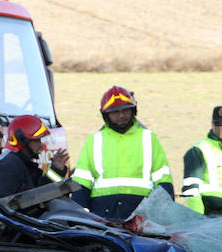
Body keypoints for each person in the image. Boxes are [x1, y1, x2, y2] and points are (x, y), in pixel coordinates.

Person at [71, 85, 173, 220]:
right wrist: (76, 214)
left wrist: (168, 211)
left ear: (133, 111)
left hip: (142, 212)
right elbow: (82, 180)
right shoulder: (94, 140)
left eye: (126, 110)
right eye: (115, 112)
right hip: (103, 212)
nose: (121, 115)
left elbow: (163, 177)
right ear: (106, 115)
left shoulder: (149, 138)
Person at [181, 106, 222, 216]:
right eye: (218, 124)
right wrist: (198, 220)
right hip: (209, 215)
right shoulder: (199, 150)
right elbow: (191, 191)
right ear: (212, 124)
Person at [0, 114, 69, 198]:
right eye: (37, 140)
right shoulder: (7, 166)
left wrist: (57, 170)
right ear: (22, 140)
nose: (41, 145)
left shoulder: (25, 164)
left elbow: (41, 193)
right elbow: (2, 205)